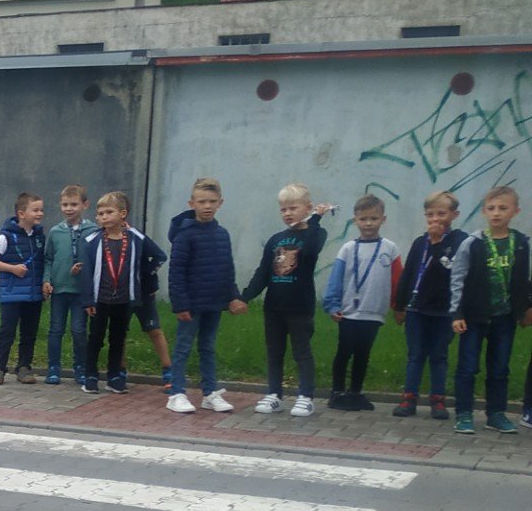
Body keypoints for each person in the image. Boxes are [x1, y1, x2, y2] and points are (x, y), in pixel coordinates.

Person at [240, 185, 334, 418]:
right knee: (274, 351)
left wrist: (316, 220)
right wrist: (244, 297)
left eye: (293, 208)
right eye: (283, 209)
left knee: (302, 351)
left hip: (300, 307)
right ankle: (274, 394)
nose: (288, 214)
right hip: (274, 307)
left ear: (308, 208)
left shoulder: (316, 233)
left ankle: (306, 396)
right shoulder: (276, 239)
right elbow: (263, 272)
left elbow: (311, 252)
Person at [451, 185, 530, 434]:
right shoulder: (473, 243)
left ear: (515, 211)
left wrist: (526, 308)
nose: (497, 213)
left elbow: (523, 278)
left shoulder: (520, 243)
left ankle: (495, 414)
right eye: (492, 208)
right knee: (467, 366)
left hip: (505, 318)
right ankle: (463, 414)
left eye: (503, 208)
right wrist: (457, 313)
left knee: (499, 368)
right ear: (484, 211)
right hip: (474, 317)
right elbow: (458, 277)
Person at [165, 177, 242, 414]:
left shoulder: (223, 234)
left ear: (220, 202)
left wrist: (233, 296)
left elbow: (227, 268)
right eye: (201, 202)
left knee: (208, 346)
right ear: (192, 203)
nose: (207, 206)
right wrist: (180, 304)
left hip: (214, 302)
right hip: (191, 304)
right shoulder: (185, 235)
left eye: (212, 201)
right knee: (183, 347)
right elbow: (176, 271)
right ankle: (176, 393)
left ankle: (209, 392)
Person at [392, 191, 470, 420]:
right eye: (430, 214)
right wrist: (399, 304)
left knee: (439, 355)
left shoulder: (459, 241)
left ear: (454, 215)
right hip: (417, 309)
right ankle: (409, 398)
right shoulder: (419, 242)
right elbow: (409, 274)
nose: (435, 219)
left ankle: (438, 400)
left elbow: (450, 270)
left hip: (444, 310)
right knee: (415, 354)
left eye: (441, 214)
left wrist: (437, 244)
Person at [78, 192, 165, 394]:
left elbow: (159, 256)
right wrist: (88, 300)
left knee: (118, 337)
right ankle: (90, 375)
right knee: (96, 337)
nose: (103, 217)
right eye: (100, 213)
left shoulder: (135, 238)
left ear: (123, 214)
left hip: (124, 299)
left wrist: (145, 274)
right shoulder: (91, 240)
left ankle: (114, 376)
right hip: (100, 299)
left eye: (109, 212)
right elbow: (86, 273)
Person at [323, 194, 403, 411]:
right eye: (363, 219)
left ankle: (356, 392)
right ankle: (337, 392)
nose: (368, 224)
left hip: (374, 313)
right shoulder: (348, 249)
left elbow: (398, 280)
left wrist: (399, 306)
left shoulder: (390, 249)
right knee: (344, 351)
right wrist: (332, 305)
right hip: (349, 312)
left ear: (383, 220)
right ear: (355, 220)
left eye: (374, 219)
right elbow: (335, 280)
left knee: (363, 353)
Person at [0, 192, 46, 385]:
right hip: (12, 293)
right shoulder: (6, 236)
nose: (40, 214)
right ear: (21, 213)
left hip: (33, 294)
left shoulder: (39, 236)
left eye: (41, 210)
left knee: (29, 332)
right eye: (35, 210)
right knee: (7, 331)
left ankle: (24, 366)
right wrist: (13, 269)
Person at [42, 184, 95, 385]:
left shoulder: (93, 230)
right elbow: (48, 258)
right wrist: (46, 280)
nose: (69, 208)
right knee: (56, 329)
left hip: (81, 292)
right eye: (65, 204)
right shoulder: (56, 231)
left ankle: (80, 367)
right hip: (59, 290)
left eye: (74, 204)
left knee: (79, 330)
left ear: (84, 205)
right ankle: (53, 367)